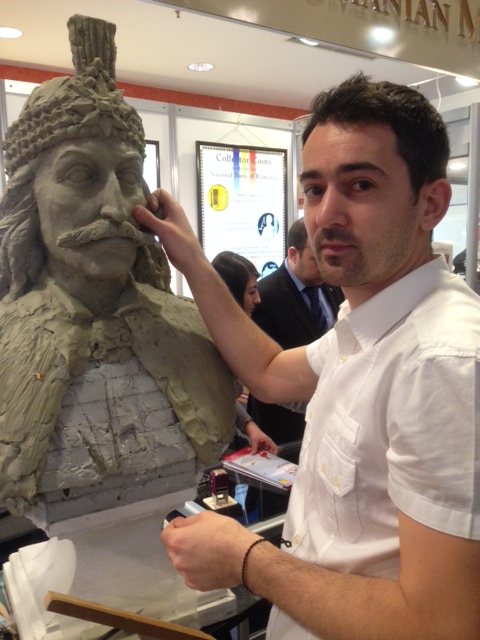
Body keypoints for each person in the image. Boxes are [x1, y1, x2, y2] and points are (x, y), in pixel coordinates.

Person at [133, 72, 480, 640]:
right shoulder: (367, 321)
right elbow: (269, 372)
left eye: (360, 185)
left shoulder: (442, 362)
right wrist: (191, 257)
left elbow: (441, 625)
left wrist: (248, 560)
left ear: (431, 204)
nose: (326, 215)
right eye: (315, 190)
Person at [0, 15, 237, 521]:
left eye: (128, 176)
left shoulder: (195, 330)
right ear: (28, 197)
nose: (114, 207)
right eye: (80, 174)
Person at [248, 218, 344, 443]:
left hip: (331, 422)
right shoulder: (264, 297)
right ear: (293, 254)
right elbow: (262, 367)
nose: (325, 266)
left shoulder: (333, 286)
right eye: (316, 259)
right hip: (285, 428)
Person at [212, 250, 277, 455]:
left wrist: (249, 426)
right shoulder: (209, 339)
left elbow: (224, 398)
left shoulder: (231, 336)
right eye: (251, 292)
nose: (258, 299)